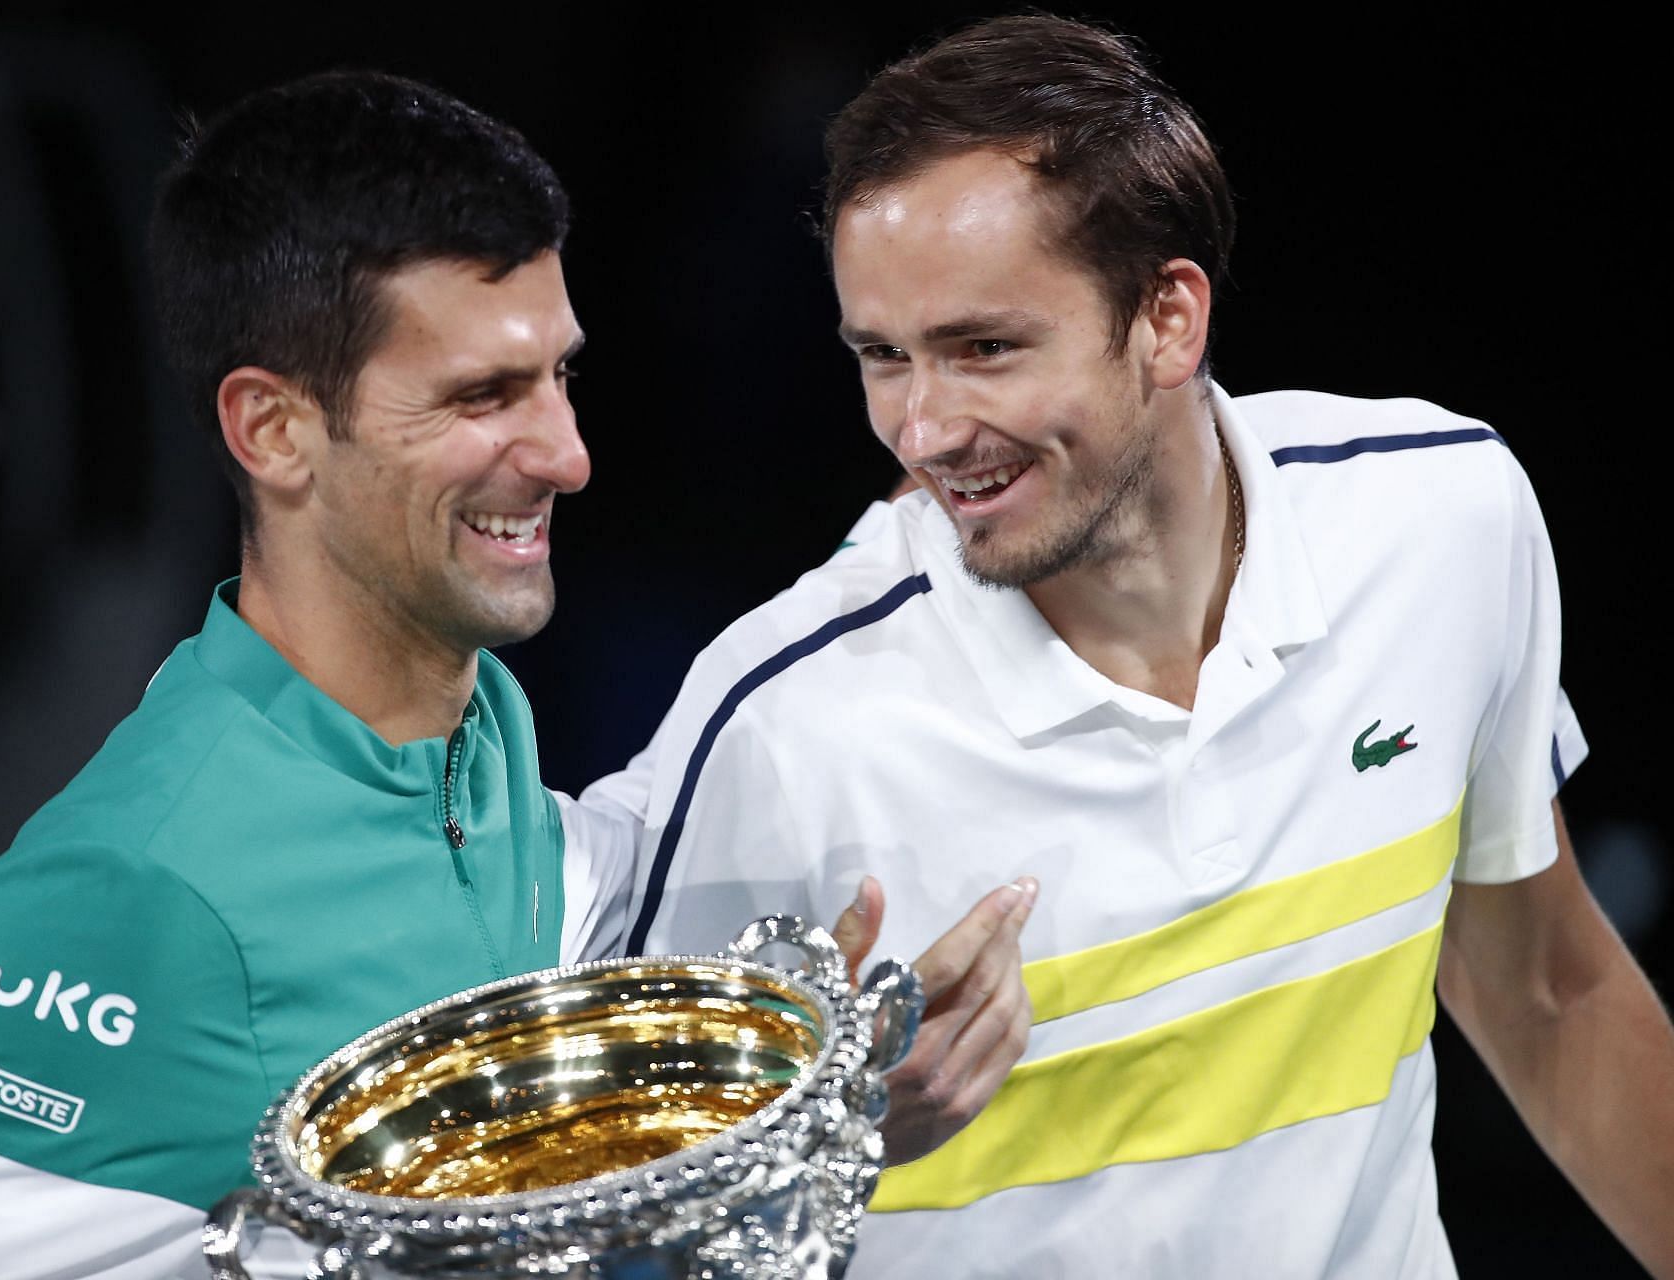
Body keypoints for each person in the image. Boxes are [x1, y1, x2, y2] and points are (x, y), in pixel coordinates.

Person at [0, 69, 1028, 1278]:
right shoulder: (135, 898)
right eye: (480, 396)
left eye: (558, 374)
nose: (566, 453)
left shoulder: (475, 754)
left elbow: (634, 863)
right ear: (274, 429)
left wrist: (838, 1108)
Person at [616, 14, 1674, 1278]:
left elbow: (1549, 990)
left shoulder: (1446, 517)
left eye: (985, 348)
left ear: (1168, 320)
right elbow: (612, 1196)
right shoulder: (777, 716)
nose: (925, 428)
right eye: (884, 358)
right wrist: (827, 1126)